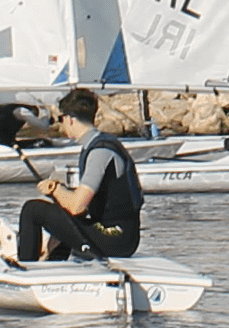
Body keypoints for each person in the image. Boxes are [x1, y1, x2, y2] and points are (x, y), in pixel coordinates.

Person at [16, 89, 142, 263]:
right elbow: (75, 209)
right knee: (63, 200)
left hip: (116, 239)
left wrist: (54, 188)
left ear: (70, 119)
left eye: (62, 119)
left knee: (32, 209)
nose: (62, 125)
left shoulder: (100, 151)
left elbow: (77, 207)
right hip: (121, 236)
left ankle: (26, 269)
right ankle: (52, 262)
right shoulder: (99, 143)